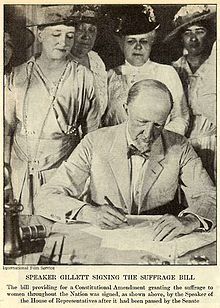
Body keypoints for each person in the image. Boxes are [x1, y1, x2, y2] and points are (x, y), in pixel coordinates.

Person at [36, 79, 216, 242]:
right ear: (125, 109)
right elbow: (46, 197)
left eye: (158, 125)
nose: (148, 135)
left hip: (160, 240)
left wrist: (190, 220)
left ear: (168, 117)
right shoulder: (94, 142)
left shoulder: (179, 145)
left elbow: (210, 195)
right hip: (103, 238)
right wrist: (88, 212)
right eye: (141, 122)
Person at [4, 5, 101, 215]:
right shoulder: (17, 75)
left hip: (63, 173)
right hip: (21, 172)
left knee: (60, 231)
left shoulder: (84, 78)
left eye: (70, 35)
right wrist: (5, 171)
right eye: (56, 34)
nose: (63, 42)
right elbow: (7, 130)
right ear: (40, 34)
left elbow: (93, 136)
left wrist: (89, 176)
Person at [102, 5, 189, 136]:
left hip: (159, 146)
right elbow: (99, 120)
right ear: (122, 44)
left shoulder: (167, 73)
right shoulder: (110, 76)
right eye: (131, 41)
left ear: (151, 43)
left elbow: (181, 118)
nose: (138, 47)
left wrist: (157, 140)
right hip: (117, 148)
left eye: (144, 41)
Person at [164, 5, 216, 182]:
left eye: (200, 31)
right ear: (181, 39)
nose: (193, 39)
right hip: (182, 146)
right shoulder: (173, 70)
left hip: (213, 144)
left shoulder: (214, 68)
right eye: (188, 33)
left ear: (209, 34)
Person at [70, 5, 107, 117]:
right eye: (80, 29)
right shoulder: (61, 59)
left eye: (92, 30)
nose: (86, 36)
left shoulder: (96, 60)